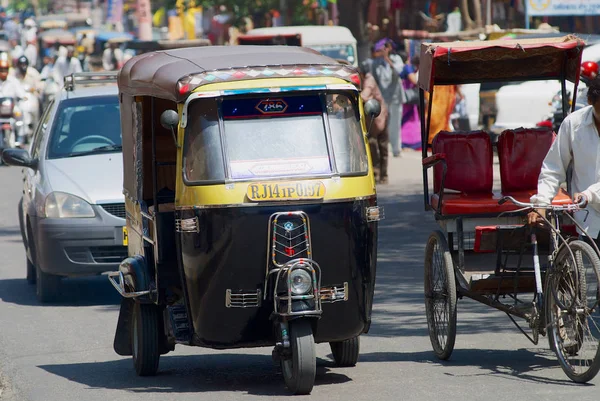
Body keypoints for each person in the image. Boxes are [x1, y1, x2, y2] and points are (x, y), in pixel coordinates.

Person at [528, 75, 600, 245]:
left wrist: (589, 194)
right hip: (589, 218)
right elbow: (553, 168)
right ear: (590, 100)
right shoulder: (573, 124)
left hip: (587, 200)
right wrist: (542, 205)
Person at [363, 38, 404, 157]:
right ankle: (387, 149)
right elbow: (374, 77)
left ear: (391, 48)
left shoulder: (397, 59)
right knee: (383, 123)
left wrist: (388, 59)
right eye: (383, 48)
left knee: (395, 124)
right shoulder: (376, 62)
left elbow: (399, 71)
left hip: (395, 96)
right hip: (383, 98)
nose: (384, 50)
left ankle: (396, 149)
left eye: (386, 47)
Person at [360, 62, 389, 184]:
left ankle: (381, 174)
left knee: (379, 146)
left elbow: (363, 96)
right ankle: (379, 174)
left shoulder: (369, 81)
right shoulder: (366, 79)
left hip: (378, 116)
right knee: (376, 146)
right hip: (374, 117)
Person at [400, 55, 421, 150]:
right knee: (408, 120)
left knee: (411, 120)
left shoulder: (408, 68)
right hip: (408, 98)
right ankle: (407, 142)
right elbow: (415, 81)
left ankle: (410, 142)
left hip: (409, 99)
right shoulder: (407, 68)